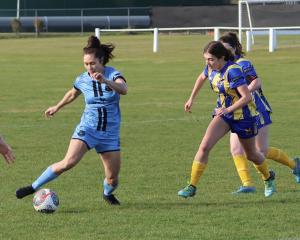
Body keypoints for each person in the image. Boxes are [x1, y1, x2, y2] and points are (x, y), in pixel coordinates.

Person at [16, 35, 128, 205]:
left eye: (92, 63)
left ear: (101, 60)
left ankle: (107, 193)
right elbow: (72, 93)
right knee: (68, 162)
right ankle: (33, 186)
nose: (89, 67)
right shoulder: (82, 79)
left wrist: (105, 80)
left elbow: (124, 89)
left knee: (113, 179)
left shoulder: (113, 74)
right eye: (86, 64)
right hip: (88, 128)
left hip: (109, 134)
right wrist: (57, 106)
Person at [178, 41, 276, 198]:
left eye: (211, 59)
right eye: (205, 59)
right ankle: (192, 186)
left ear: (221, 57)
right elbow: (202, 77)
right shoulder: (212, 69)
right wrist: (191, 99)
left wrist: (228, 109)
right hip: (224, 116)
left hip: (244, 117)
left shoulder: (233, 71)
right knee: (204, 146)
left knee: (252, 155)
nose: (207, 63)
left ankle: (268, 178)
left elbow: (246, 97)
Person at [219, 32, 300, 194]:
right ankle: (247, 184)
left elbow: (256, 81)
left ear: (234, 48)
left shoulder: (243, 63)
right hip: (239, 112)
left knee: (259, 151)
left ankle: (295, 165)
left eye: (227, 49)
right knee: (236, 149)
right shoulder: (222, 67)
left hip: (257, 110)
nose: (224, 52)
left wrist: (243, 94)